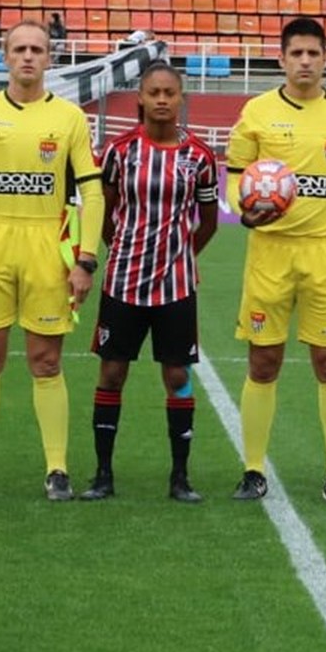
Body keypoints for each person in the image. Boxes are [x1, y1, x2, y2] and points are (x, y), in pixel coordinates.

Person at [0, 19, 104, 501]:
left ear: (50, 58)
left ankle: (57, 469)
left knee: (46, 359)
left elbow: (92, 193)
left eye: (38, 49)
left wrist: (86, 260)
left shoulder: (71, 118)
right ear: (5, 56)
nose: (29, 56)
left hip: (46, 246)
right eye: (20, 49)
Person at [226, 17, 326, 504]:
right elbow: (234, 179)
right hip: (270, 254)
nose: (305, 62)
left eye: (314, 53)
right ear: (282, 59)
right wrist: (246, 210)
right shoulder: (257, 112)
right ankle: (252, 469)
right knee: (263, 361)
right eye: (297, 54)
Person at [80, 61, 219, 504]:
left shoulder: (199, 157)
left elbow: (209, 222)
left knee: (177, 375)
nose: (161, 99)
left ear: (180, 98)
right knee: (112, 372)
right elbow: (103, 209)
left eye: (169, 93)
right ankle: (103, 474)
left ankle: (180, 478)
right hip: (123, 282)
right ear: (140, 97)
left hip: (176, 286)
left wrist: (180, 255)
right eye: (153, 92)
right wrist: (122, 247)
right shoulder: (119, 152)